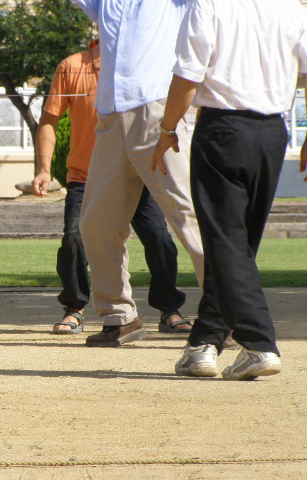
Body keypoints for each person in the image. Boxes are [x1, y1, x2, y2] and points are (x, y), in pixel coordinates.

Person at [152, 0, 307, 380]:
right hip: (272, 134)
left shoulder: (208, 5)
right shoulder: (291, 8)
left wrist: (167, 128)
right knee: (239, 244)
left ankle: (258, 343)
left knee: (225, 242)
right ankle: (204, 343)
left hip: (223, 130)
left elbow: (187, 76)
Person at [70, 0, 207, 347]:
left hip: (160, 112)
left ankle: (229, 312)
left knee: (189, 214)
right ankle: (120, 316)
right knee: (96, 222)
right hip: (111, 118)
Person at [32, 40, 190, 335]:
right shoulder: (72, 65)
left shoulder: (148, 58)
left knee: (160, 239)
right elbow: (49, 120)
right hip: (86, 175)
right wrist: (43, 168)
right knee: (74, 240)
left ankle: (169, 308)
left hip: (140, 171)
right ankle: (75, 308)